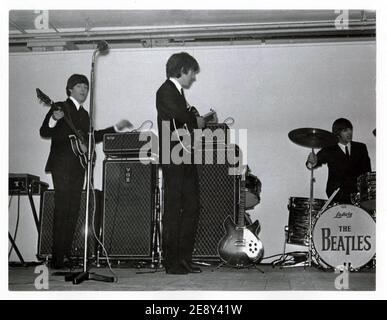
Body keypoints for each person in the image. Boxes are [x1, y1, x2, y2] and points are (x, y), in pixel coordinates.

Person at [40, 74, 131, 269]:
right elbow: (44, 132)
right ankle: (56, 258)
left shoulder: (84, 114)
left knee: (73, 210)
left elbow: (92, 137)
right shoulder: (59, 107)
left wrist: (116, 128)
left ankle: (65, 254)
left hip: (79, 166)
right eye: (79, 86)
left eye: (86, 87)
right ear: (69, 89)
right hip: (62, 165)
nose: (84, 90)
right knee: (63, 209)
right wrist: (54, 120)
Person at [156, 52, 205, 274]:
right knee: (173, 209)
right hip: (173, 156)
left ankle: (184, 258)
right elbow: (178, 115)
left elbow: (182, 122)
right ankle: (171, 262)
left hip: (185, 155)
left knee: (192, 207)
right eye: (192, 72)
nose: (193, 77)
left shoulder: (179, 93)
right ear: (182, 70)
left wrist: (197, 121)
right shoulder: (165, 91)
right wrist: (196, 120)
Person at [306, 118, 371, 204]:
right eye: (345, 130)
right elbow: (313, 163)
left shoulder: (361, 147)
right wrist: (311, 162)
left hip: (358, 195)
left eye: (350, 129)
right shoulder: (329, 149)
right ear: (337, 133)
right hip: (337, 195)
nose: (349, 133)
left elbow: (367, 172)